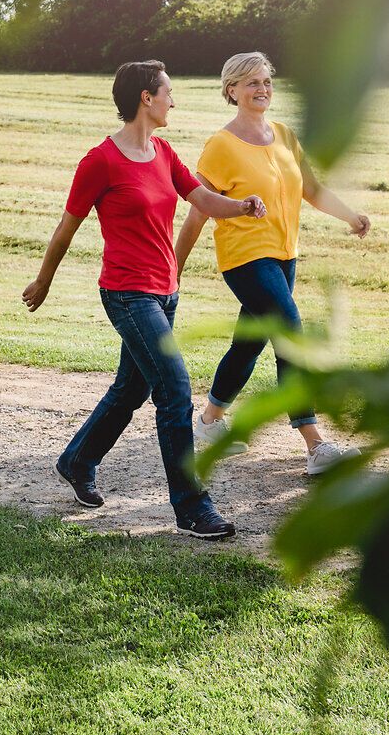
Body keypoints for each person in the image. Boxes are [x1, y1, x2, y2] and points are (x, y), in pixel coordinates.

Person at [23, 60, 267, 541]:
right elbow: (66, 228)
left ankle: (77, 460)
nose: (173, 101)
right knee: (174, 389)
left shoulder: (164, 152)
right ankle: (193, 507)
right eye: (168, 92)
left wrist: (241, 206)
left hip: (165, 291)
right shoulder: (100, 162)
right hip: (127, 293)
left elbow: (203, 199)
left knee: (132, 389)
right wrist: (43, 282)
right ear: (145, 98)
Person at [174, 51, 371, 475]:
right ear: (232, 90)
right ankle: (315, 444)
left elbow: (312, 190)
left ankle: (209, 421)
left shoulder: (284, 134)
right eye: (251, 83)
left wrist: (351, 215)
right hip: (244, 258)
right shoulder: (221, 145)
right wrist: (173, 269)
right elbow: (198, 210)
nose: (262, 89)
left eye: (265, 81)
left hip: (284, 256)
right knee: (289, 330)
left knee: (251, 339)